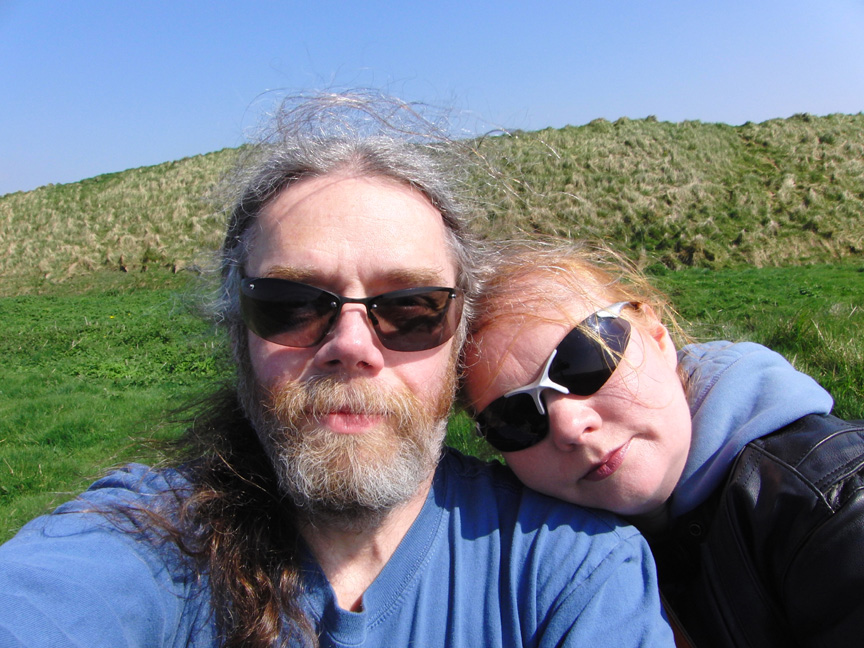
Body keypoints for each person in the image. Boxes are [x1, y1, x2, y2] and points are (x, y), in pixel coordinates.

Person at [0, 95, 674, 647]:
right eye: (293, 305)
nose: (352, 345)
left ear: (459, 335)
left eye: (411, 308)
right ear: (238, 334)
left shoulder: (564, 568)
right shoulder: (148, 541)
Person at [462, 240, 864, 648]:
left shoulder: (834, 503)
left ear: (657, 337)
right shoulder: (531, 560)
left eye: (586, 360)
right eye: (514, 419)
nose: (570, 426)